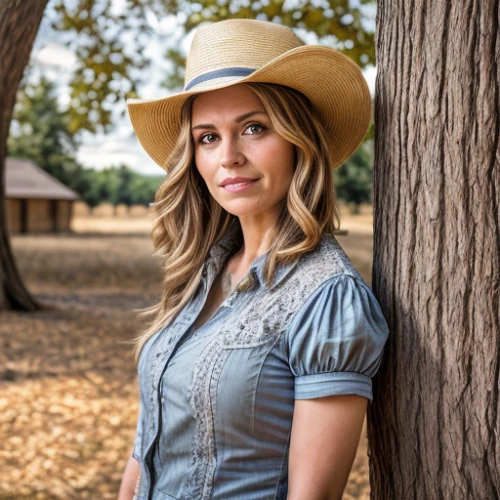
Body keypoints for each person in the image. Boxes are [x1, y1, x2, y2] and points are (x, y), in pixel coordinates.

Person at [118, 18, 389, 500]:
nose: (229, 157)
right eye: (208, 137)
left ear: (298, 141)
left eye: (254, 128)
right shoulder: (199, 274)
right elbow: (145, 451)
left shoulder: (328, 299)